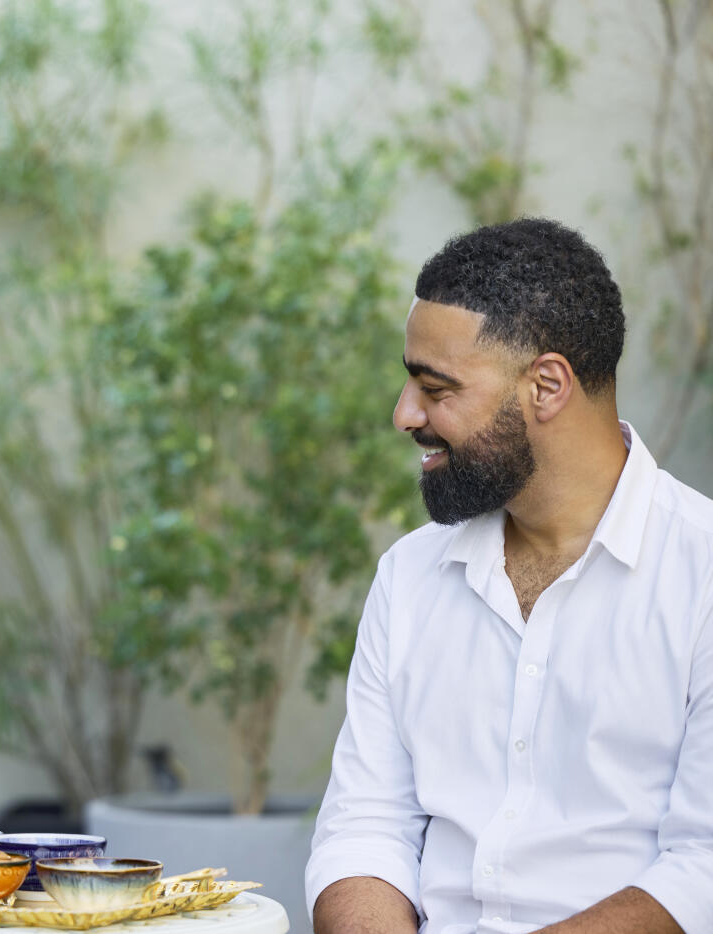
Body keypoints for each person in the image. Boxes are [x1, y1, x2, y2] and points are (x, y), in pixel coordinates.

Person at [306, 218, 713, 934]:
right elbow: (365, 828)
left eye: (436, 388)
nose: (405, 415)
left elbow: (702, 868)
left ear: (547, 386)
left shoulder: (701, 573)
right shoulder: (409, 576)